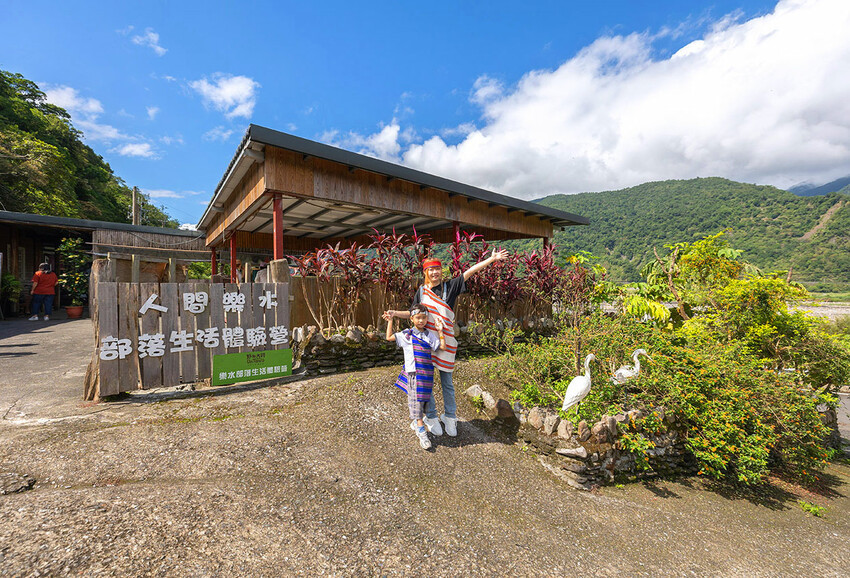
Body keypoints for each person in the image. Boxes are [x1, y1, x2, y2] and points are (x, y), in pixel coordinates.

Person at [385, 248, 509, 437]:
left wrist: (491, 259)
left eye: (437, 269)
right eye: (430, 270)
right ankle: (432, 417)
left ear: (441, 271)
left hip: (445, 342)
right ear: (425, 273)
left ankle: (450, 418)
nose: (434, 273)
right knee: (427, 381)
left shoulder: (450, 287)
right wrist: (394, 313)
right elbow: (413, 313)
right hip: (426, 342)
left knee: (447, 382)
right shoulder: (422, 291)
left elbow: (470, 272)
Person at [384, 304, 446, 450]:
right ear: (412, 318)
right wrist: (390, 320)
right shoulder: (407, 335)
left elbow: (441, 347)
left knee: (426, 401)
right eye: (418, 317)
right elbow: (388, 337)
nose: (421, 321)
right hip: (413, 374)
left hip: (427, 374)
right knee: (416, 403)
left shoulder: (429, 335)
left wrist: (440, 331)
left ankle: (420, 422)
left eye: (424, 318)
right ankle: (421, 430)